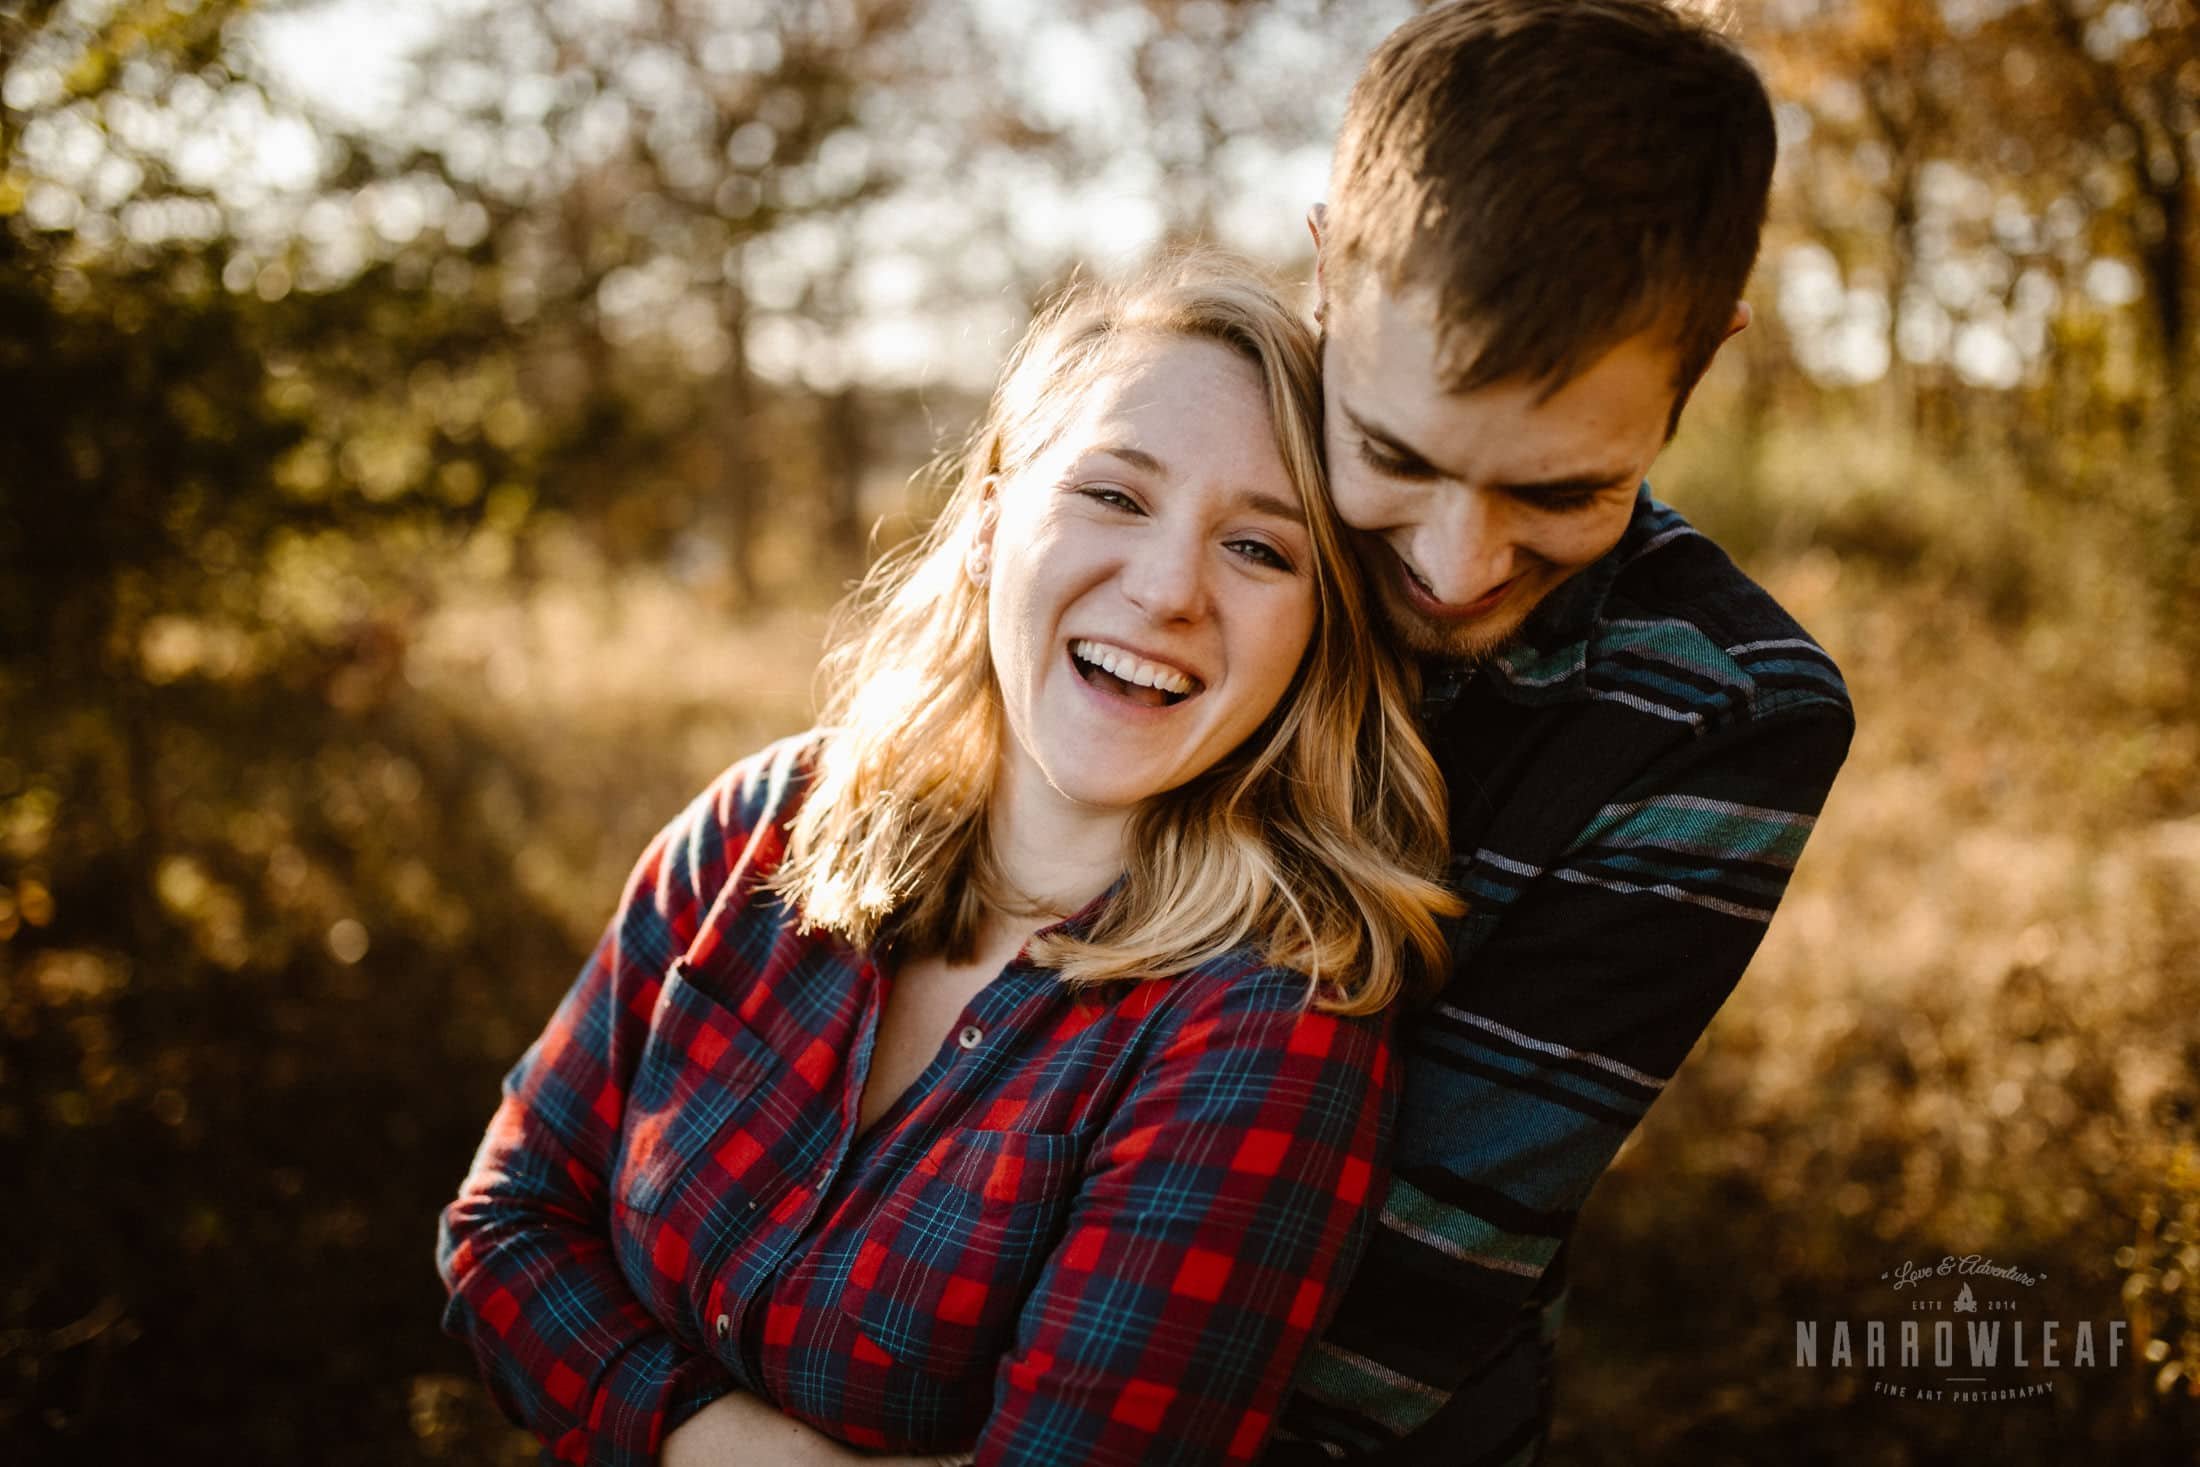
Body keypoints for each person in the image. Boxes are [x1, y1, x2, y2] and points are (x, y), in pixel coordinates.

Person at [435, 256, 1465, 1467]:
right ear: (986, 524)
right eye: (1116, 498)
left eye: (1259, 550)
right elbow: (501, 1231)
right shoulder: (761, 824)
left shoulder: (1267, 1027)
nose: (1167, 588)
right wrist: (712, 1440)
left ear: (1315, 635)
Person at [1264, 2, 1857, 1463]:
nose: (1457, 567)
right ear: (1328, 271)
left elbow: (1421, 1268)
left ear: (1700, 366)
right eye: (1395, 453)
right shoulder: (1164, 508)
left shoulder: (1723, 711)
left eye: (1563, 491)